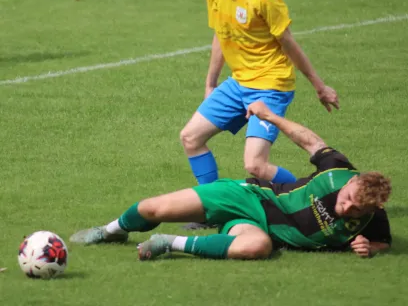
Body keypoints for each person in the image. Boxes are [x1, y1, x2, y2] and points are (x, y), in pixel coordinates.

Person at [70, 101, 391, 260]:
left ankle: (170, 244)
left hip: (257, 230)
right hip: (250, 197)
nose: (345, 207)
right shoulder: (337, 170)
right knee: (154, 209)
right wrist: (270, 116)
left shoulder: (373, 219)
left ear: (370, 210)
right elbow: (310, 141)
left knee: (259, 247)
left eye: (355, 209)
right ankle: (110, 231)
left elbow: (383, 243)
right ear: (352, 181)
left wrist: (370, 247)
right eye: (348, 197)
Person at [179, 0, 339, 230]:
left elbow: (288, 42)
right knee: (191, 137)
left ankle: (306, 203)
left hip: (270, 86)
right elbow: (220, 35)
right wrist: (211, 82)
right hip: (239, 83)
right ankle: (211, 209)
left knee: (255, 165)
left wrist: (319, 86)